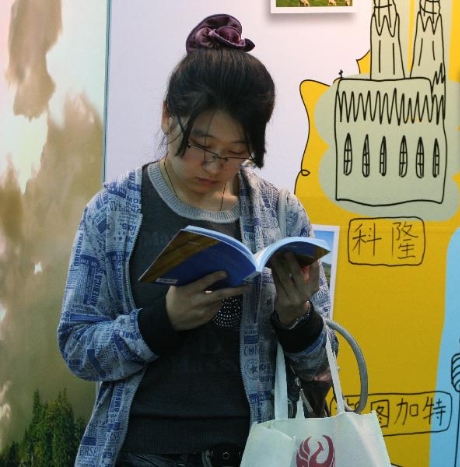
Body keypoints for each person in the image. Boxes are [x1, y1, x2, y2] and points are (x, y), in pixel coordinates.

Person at [58, 13, 334, 467]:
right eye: (201, 145)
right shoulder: (112, 211)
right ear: (168, 115)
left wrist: (296, 318)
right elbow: (77, 347)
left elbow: (322, 365)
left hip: (256, 451)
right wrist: (162, 322)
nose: (213, 166)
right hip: (141, 453)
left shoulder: (282, 214)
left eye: (235, 153)